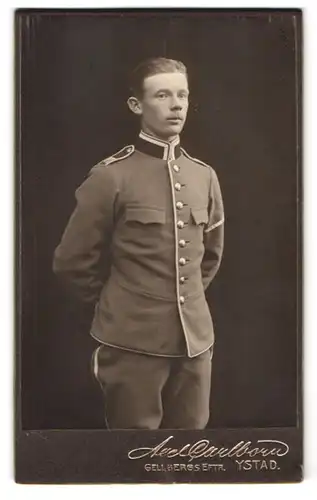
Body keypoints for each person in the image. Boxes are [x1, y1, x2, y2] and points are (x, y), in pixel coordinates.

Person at [53, 57, 224, 429]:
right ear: (137, 105)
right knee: (134, 459)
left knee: (191, 455)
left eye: (182, 95)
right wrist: (119, 310)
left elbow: (209, 257)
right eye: (162, 95)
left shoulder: (203, 176)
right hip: (130, 345)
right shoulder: (110, 177)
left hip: (195, 344)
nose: (177, 105)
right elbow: (72, 262)